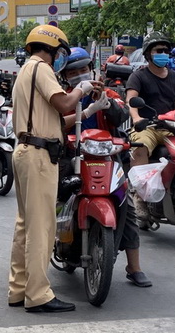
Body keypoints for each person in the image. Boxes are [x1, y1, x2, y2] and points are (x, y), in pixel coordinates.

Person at [8, 25, 101, 313]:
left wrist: (87, 112)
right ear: (51, 48)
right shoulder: (42, 69)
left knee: (25, 225)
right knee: (42, 227)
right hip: (38, 156)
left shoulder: (26, 71)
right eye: (60, 51)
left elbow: (54, 121)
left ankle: (19, 288)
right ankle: (38, 295)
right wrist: (81, 90)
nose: (61, 57)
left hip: (27, 150)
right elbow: (62, 104)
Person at [58, 47, 152, 287]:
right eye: (74, 72)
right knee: (56, 198)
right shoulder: (63, 97)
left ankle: (134, 266)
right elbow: (56, 125)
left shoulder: (108, 93)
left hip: (108, 159)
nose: (80, 75)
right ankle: (53, 243)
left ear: (92, 70)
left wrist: (106, 102)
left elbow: (121, 116)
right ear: (66, 76)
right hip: (72, 158)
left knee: (127, 207)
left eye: (83, 70)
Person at [125, 32, 175, 228]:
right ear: (148, 54)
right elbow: (131, 99)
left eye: (166, 51)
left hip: (172, 126)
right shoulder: (138, 76)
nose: (163, 54)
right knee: (140, 147)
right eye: (158, 51)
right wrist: (136, 118)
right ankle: (140, 197)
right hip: (149, 127)